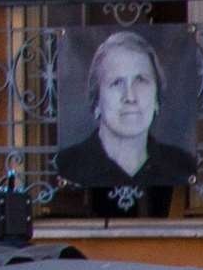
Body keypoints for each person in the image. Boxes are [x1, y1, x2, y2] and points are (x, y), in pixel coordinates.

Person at [54, 28, 193, 216]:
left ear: (157, 99)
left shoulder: (181, 166)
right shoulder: (68, 166)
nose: (130, 96)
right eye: (117, 83)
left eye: (141, 81)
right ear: (96, 101)